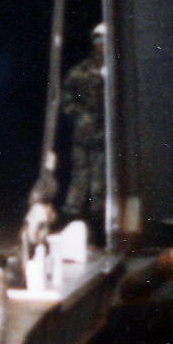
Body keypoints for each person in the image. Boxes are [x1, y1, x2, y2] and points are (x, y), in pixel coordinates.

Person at [61, 23, 107, 228]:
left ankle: (99, 218)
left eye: (104, 39)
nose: (101, 44)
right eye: (97, 39)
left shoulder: (118, 71)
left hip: (107, 133)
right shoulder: (79, 71)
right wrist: (80, 116)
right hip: (84, 133)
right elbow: (65, 100)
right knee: (80, 174)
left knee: (101, 176)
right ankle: (72, 216)